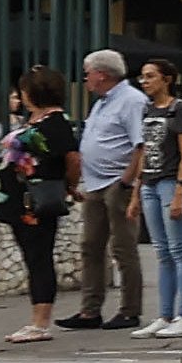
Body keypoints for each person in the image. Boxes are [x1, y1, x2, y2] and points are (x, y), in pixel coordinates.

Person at [61, 49, 147, 332]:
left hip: (116, 182)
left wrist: (127, 181)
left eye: (88, 73)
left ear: (102, 74)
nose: (85, 79)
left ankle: (130, 310)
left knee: (123, 247)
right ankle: (90, 310)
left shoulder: (131, 101)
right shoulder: (101, 102)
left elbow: (140, 145)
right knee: (91, 246)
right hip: (95, 182)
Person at [0, 69, 77, 343]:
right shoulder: (34, 122)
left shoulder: (56, 124)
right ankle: (36, 318)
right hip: (19, 200)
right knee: (32, 257)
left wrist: (69, 186)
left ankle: (40, 323)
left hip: (36, 202)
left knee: (39, 257)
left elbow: (73, 159)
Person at [134, 56, 182, 338]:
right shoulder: (147, 110)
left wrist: (180, 189)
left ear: (167, 79)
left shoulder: (179, 109)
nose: (145, 82)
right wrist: (136, 192)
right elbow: (144, 151)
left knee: (180, 250)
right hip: (150, 182)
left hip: (170, 182)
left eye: (151, 76)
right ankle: (164, 315)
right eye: (143, 77)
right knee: (162, 253)